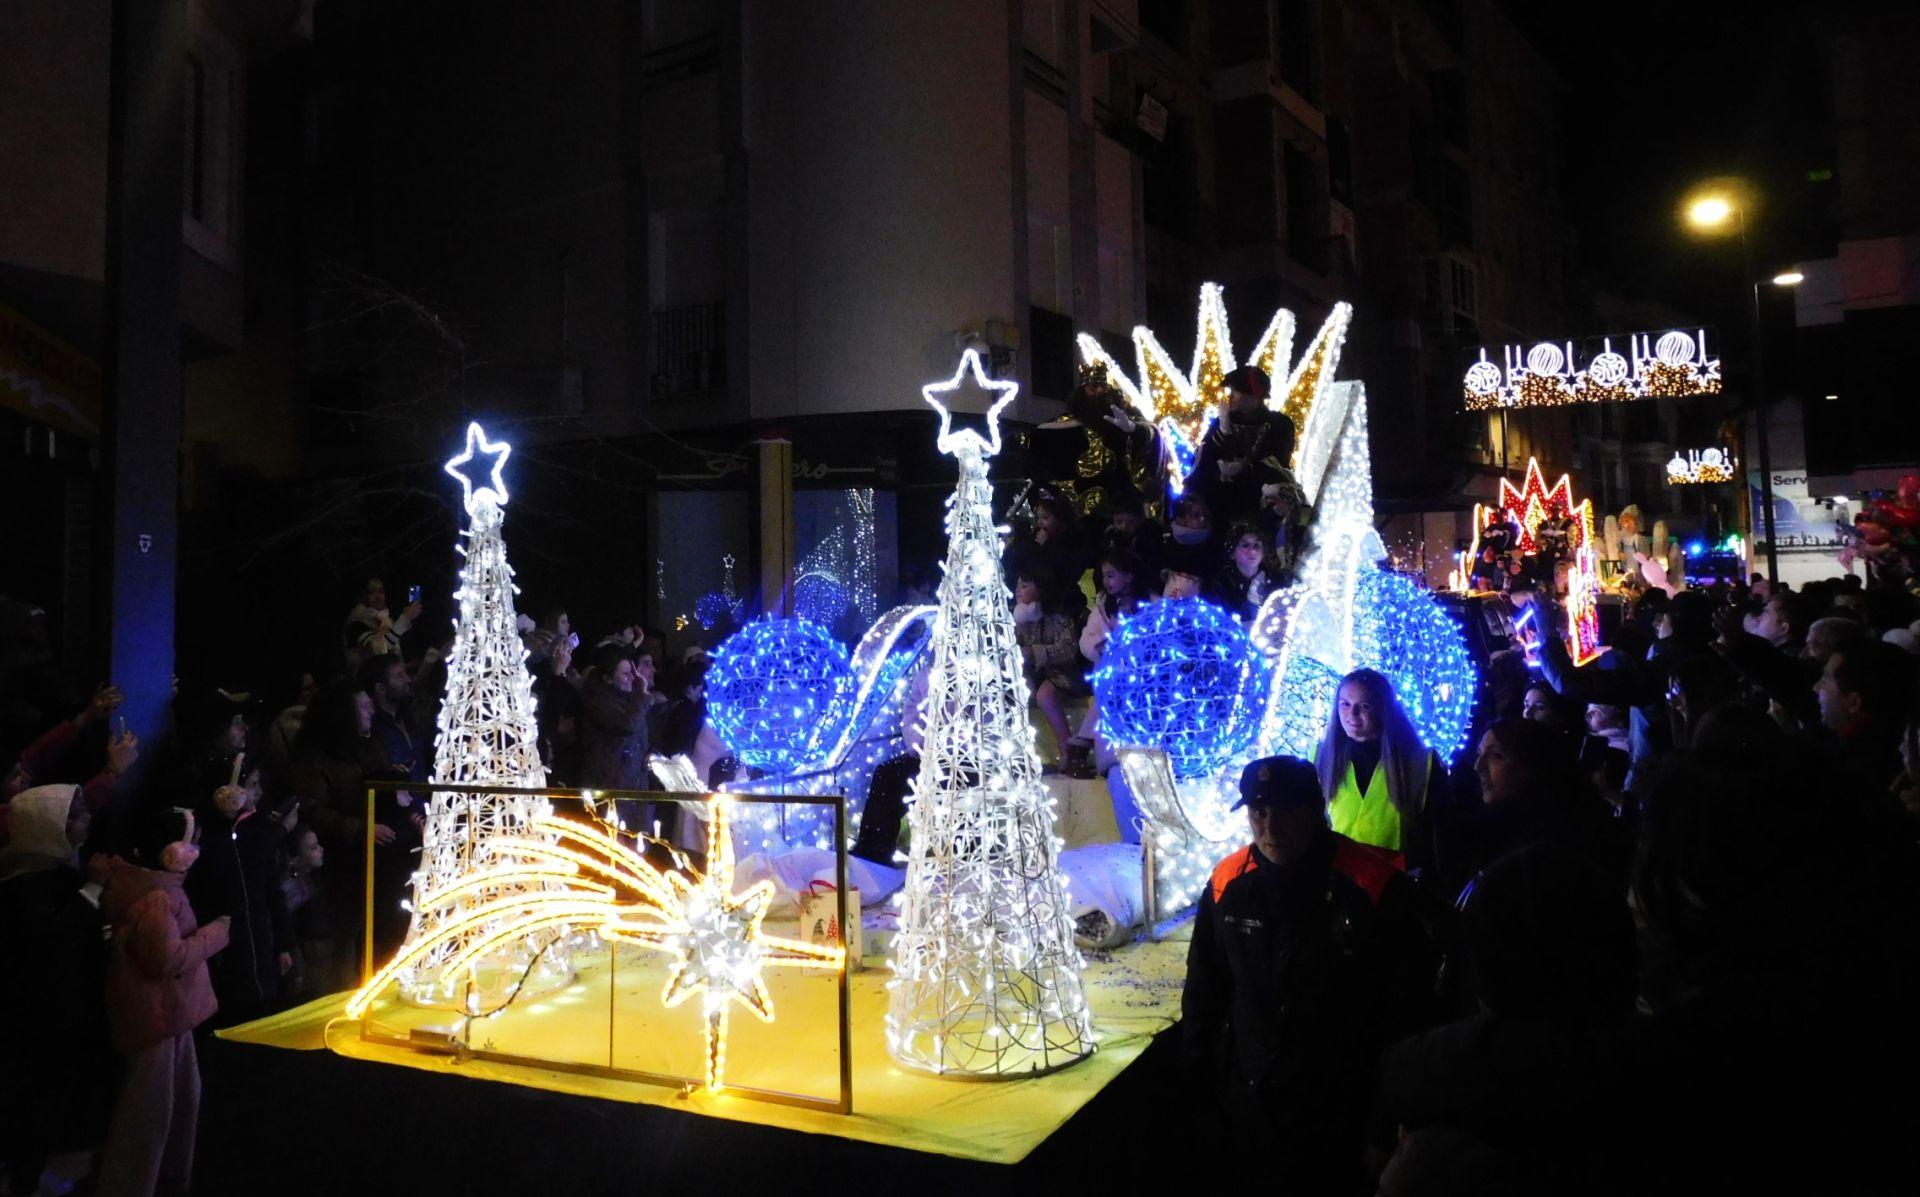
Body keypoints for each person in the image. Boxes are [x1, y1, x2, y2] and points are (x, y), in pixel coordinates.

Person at [1181, 755, 1431, 1191]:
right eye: (1259, 812)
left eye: (1286, 811)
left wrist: (1383, 1124)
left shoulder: (1371, 886)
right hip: (1254, 1104)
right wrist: (1205, 1094)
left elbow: (1405, 1015)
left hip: (1342, 1109)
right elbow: (1205, 991)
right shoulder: (1228, 882)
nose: (1270, 827)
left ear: (1314, 810)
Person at [95, 808, 230, 1197]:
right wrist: (217, 934)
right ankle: (136, 1184)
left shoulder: (139, 884)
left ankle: (165, 1177)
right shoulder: (158, 896)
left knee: (177, 1099)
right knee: (150, 1113)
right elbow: (164, 960)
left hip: (167, 1013)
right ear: (172, 853)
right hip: (158, 1014)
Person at [0, 784, 111, 1197]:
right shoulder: (28, 885)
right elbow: (52, 946)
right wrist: (92, 891)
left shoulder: (44, 868)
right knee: (37, 1104)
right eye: (77, 815)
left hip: (50, 1015)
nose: (87, 820)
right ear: (51, 828)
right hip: (42, 1019)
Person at [188, 758, 293, 1024]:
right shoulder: (205, 837)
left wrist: (283, 943)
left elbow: (273, 892)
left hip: (261, 940)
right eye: (252, 785)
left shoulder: (259, 831)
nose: (258, 792)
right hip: (225, 951)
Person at [1315, 669, 1449, 874]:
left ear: (1383, 709)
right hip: (1338, 885)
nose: (1352, 714)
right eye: (1345, 704)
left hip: (1394, 888)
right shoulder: (1320, 757)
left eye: (1364, 706)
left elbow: (1440, 839)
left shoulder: (1420, 764)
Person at [1193, 365, 1296, 521]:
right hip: (1219, 505)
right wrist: (1223, 431)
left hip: (1258, 505)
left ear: (1254, 395)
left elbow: (1278, 465)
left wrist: (1244, 468)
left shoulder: (1279, 424)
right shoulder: (1223, 420)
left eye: (1236, 391)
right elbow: (1203, 459)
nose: (1231, 396)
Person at [1012, 571, 1089, 775]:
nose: (1018, 589)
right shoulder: (1019, 623)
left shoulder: (1057, 619)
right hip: (1033, 674)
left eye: (1025, 585)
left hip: (1062, 674)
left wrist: (1037, 652)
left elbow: (1068, 649)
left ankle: (1068, 750)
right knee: (1018, 690)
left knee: (1045, 695)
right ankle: (1018, 750)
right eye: (1018, 585)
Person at [580, 643, 655, 836]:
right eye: (625, 674)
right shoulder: (598, 702)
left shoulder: (632, 701)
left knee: (640, 851)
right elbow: (628, 726)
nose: (632, 678)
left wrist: (650, 754)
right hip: (613, 791)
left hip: (636, 790)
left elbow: (641, 737)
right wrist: (641, 695)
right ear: (607, 678)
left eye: (632, 672)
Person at [343, 576, 422, 665]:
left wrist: (405, 668)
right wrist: (404, 619)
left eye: (381, 591)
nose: (378, 596)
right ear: (362, 596)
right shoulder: (356, 622)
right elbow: (375, 650)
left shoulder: (384, 619)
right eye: (371, 592)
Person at [1206, 521, 1276, 620]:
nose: (1253, 551)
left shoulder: (1275, 579)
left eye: (1257, 545)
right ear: (1232, 552)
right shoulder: (1221, 583)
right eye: (1245, 545)